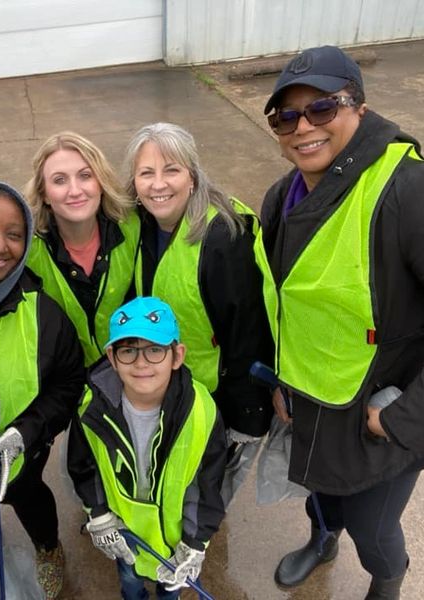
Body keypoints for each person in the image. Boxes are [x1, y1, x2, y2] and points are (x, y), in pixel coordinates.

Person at [257, 45, 424, 599]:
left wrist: (403, 416)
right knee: (321, 496)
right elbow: (286, 303)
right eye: (286, 115)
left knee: (374, 530)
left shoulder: (408, 189)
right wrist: (283, 381)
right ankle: (322, 539)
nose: (302, 127)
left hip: (378, 413)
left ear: (359, 106)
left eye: (322, 108)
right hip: (311, 401)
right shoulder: (282, 196)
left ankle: (387, 579)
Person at [0, 180, 85, 600]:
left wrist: (28, 431)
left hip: (19, 454)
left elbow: (68, 383)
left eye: (14, 234)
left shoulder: (43, 314)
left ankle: (47, 548)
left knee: (30, 500)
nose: (0, 246)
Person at [68, 296, 227, 600]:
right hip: (126, 537)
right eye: (129, 350)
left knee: (170, 590)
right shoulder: (90, 410)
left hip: (175, 542)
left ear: (177, 355)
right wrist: (98, 514)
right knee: (129, 581)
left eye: (155, 350)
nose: (141, 363)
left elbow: (208, 483)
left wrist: (196, 543)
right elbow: (83, 466)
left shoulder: (202, 413)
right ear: (112, 358)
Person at [123, 122, 273, 442]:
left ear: (192, 176)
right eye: (146, 173)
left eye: (171, 170)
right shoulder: (135, 228)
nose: (158, 184)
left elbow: (248, 335)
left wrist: (247, 416)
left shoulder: (224, 237)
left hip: (216, 398)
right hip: (165, 386)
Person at [26, 131, 140, 366]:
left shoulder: (134, 228)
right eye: (59, 180)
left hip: (131, 370)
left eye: (85, 176)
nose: (75, 190)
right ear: (44, 194)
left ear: (101, 182)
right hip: (64, 380)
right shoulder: (28, 253)